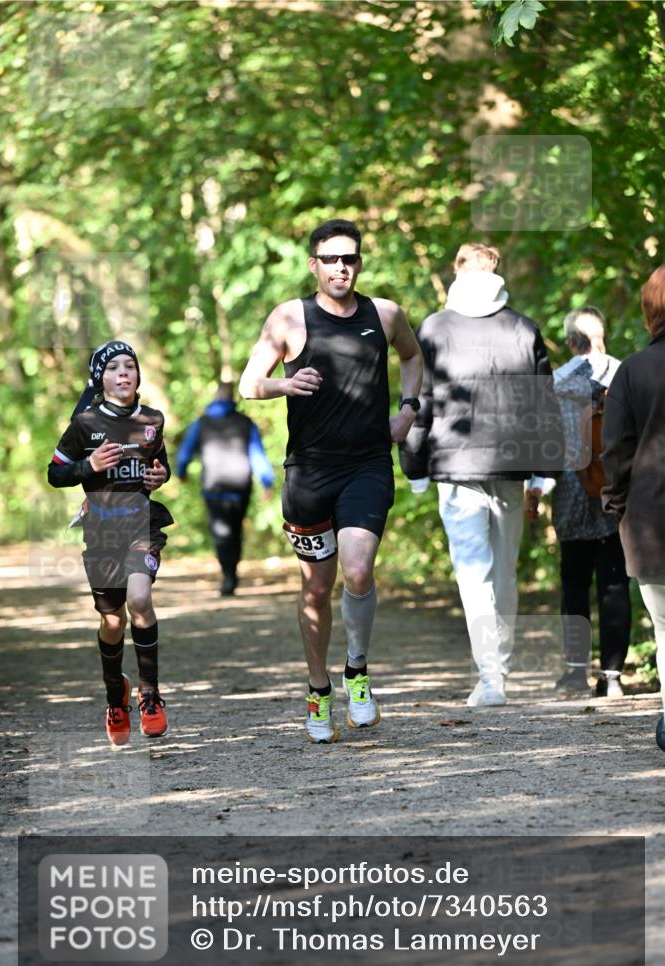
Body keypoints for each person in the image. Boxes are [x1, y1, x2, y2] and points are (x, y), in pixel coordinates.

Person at [239, 218, 422, 743]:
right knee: (317, 588)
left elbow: (412, 357)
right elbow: (250, 384)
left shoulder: (384, 314)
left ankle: (357, 674)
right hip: (310, 471)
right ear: (313, 264)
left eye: (351, 259)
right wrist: (286, 384)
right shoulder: (289, 318)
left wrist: (407, 411)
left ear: (360, 263)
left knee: (359, 571)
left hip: (367, 464)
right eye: (332, 259)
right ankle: (318, 690)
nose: (342, 267)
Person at [400, 242, 562, 708]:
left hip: (454, 468)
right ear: (497, 272)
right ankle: (498, 671)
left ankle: (491, 678)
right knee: (503, 572)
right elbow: (543, 406)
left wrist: (414, 465)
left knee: (475, 574)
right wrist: (544, 472)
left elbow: (419, 401)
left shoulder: (433, 328)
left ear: (456, 273)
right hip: (511, 467)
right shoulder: (523, 327)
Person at [48, 340, 172, 747]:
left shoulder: (152, 419)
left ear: (138, 374)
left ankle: (149, 694)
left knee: (139, 601)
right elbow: (55, 473)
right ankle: (115, 697)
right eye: (114, 367)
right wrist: (90, 466)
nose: (124, 372)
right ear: (100, 378)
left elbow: (161, 464)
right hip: (101, 531)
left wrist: (159, 477)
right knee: (113, 620)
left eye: (130, 365)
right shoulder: (84, 423)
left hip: (140, 524)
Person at [541, 309, 630, 698]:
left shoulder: (555, 382)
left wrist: (535, 490)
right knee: (614, 583)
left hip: (570, 494)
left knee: (574, 582)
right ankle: (613, 676)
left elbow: (545, 445)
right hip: (619, 492)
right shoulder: (625, 375)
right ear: (602, 336)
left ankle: (576, 673)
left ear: (570, 341)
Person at [602, 264, 665, 751]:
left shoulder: (632, 371)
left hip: (650, 521)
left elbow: (616, 452)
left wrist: (616, 506)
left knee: (664, 627)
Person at [176, 382, 274, 595]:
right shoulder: (246, 423)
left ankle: (228, 574)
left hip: (214, 485)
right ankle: (232, 571)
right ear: (233, 399)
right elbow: (257, 455)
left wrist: (181, 471)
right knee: (235, 530)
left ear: (215, 397)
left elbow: (186, 450)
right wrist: (267, 482)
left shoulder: (201, 423)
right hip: (240, 486)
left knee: (221, 532)